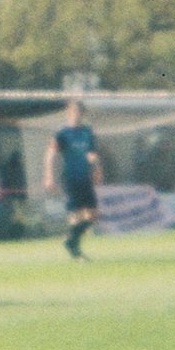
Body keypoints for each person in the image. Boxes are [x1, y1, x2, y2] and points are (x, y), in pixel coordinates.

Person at [45, 100, 102, 259]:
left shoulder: (87, 131)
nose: (77, 114)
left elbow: (91, 153)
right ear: (68, 112)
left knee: (93, 216)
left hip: (85, 178)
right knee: (75, 215)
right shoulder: (61, 132)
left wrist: (97, 169)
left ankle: (71, 240)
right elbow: (50, 154)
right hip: (71, 177)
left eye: (80, 111)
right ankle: (75, 249)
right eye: (74, 111)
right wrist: (49, 176)